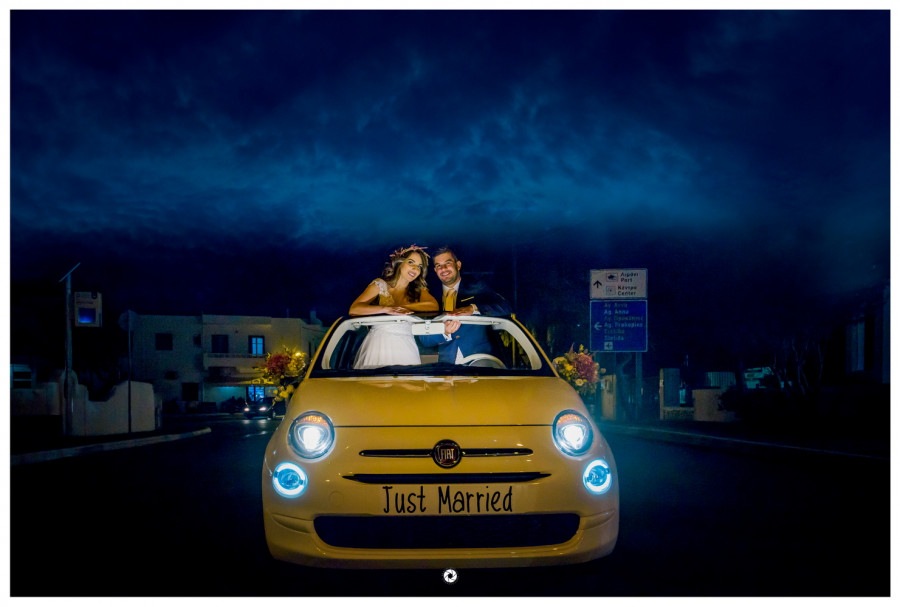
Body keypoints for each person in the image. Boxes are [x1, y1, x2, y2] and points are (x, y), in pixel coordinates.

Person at [349, 245, 439, 369]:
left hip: (406, 347)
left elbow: (433, 306)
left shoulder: (419, 290)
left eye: (419, 266)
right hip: (379, 345)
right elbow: (354, 309)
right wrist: (386, 309)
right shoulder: (380, 285)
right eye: (411, 262)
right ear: (400, 263)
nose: (415, 268)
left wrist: (400, 307)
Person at [419, 246, 511, 364]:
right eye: (438, 266)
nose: (444, 269)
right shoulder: (430, 298)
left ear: (458, 265)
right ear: (435, 270)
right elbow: (424, 339)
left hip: (483, 362)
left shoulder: (478, 287)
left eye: (448, 263)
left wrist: (473, 308)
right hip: (448, 367)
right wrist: (444, 331)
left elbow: (506, 307)